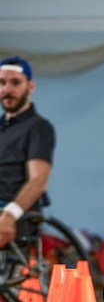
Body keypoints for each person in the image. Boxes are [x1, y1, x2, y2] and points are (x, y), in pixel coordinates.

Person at [0, 56, 55, 249]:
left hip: (15, 217)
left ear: (30, 86)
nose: (7, 89)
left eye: (15, 83)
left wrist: (9, 214)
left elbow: (37, 181)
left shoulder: (38, 127)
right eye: (2, 82)